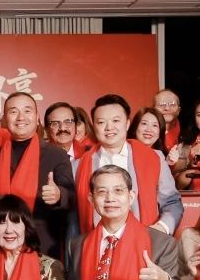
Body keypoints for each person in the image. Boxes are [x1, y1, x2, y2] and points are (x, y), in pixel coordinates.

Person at [74, 94, 183, 236]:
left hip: (143, 240)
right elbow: (72, 215)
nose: (109, 127)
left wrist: (161, 228)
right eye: (101, 122)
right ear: (94, 126)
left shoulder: (153, 158)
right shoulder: (79, 165)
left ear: (127, 123)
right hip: (96, 242)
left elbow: (171, 202)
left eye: (115, 120)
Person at [0, 91, 76, 258]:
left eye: (27, 111)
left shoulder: (56, 155)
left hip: (42, 246)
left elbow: (72, 196)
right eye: (13, 111)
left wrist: (59, 195)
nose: (20, 117)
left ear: (37, 117)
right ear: (5, 119)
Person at [44, 102, 83, 172]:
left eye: (68, 122)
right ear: (47, 129)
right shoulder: (39, 156)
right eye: (55, 124)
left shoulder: (89, 154)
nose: (62, 128)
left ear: (76, 126)